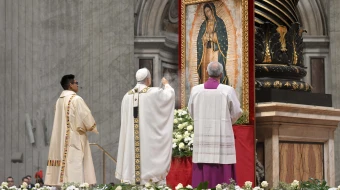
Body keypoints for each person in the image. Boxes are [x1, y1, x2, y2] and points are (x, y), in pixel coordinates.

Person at [115, 68, 175, 185]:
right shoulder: (154, 92)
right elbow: (169, 96)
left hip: (132, 141)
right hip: (148, 139)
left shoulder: (127, 96)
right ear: (148, 79)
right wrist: (167, 85)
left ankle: (133, 178)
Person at [188, 62, 242, 188]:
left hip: (202, 135)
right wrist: (228, 122)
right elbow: (237, 112)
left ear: (207, 73)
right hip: (222, 134)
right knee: (223, 163)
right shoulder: (227, 91)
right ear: (221, 74)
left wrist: (201, 121)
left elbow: (191, 111)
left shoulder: (196, 90)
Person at [45, 74, 98, 186]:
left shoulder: (59, 101)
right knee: (75, 167)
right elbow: (86, 118)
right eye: (76, 83)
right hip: (74, 139)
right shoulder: (76, 99)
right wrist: (91, 126)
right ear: (70, 85)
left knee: (64, 170)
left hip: (60, 140)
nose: (78, 85)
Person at [197, 3, 229, 84]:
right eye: (205, 12)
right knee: (205, 70)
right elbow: (200, 39)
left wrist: (211, 37)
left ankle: (217, 85)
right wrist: (204, 38)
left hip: (215, 52)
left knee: (215, 68)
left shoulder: (219, 22)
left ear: (212, 10)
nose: (207, 13)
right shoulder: (204, 24)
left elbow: (223, 38)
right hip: (206, 53)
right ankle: (206, 85)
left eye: (208, 11)